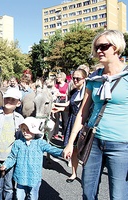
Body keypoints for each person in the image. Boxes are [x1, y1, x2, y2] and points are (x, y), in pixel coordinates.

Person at [63, 30, 128, 199]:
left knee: (119, 195)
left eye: (103, 46)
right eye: (96, 47)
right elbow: (83, 113)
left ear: (116, 47)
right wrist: (71, 143)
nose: (98, 51)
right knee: (88, 192)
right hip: (93, 140)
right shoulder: (94, 78)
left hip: (121, 144)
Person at [0, 117, 63, 200]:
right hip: (20, 176)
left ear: (35, 130)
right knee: (19, 197)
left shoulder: (40, 143)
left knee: (33, 196)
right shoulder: (18, 143)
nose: (25, 132)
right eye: (23, 129)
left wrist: (62, 152)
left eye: (28, 129)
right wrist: (5, 165)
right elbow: (12, 157)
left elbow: (51, 149)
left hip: (34, 177)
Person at [0, 87, 24, 200]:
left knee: (9, 185)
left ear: (18, 103)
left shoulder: (19, 119)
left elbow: (22, 139)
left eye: (13, 99)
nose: (9, 101)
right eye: (7, 98)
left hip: (11, 158)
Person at [53, 68, 87, 183]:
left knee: (86, 151)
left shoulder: (88, 92)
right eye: (74, 78)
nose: (75, 80)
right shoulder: (73, 91)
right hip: (72, 120)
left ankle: (87, 176)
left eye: (78, 78)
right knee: (74, 149)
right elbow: (69, 106)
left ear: (84, 79)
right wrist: (57, 108)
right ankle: (73, 173)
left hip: (84, 122)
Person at [53, 72, 69, 140]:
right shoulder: (56, 85)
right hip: (57, 102)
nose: (57, 79)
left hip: (64, 101)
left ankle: (64, 134)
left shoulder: (67, 85)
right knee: (56, 118)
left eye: (58, 77)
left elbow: (68, 94)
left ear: (62, 78)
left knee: (64, 119)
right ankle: (55, 133)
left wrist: (61, 95)